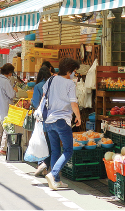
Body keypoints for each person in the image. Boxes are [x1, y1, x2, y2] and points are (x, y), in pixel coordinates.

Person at [42, 58, 81, 190]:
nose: (74, 74)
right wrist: (79, 117)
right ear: (69, 71)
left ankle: (57, 180)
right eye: (74, 71)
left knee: (55, 151)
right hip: (62, 120)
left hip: (49, 120)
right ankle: (53, 175)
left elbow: (44, 95)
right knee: (68, 150)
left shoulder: (50, 80)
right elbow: (73, 103)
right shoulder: (69, 84)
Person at [31, 65, 53, 177]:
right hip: (53, 117)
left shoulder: (38, 86)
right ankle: (48, 167)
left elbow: (35, 103)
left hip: (42, 118)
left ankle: (42, 164)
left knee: (42, 141)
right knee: (50, 142)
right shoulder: (53, 85)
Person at [0, 63, 17, 155]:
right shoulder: (5, 82)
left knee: (0, 129)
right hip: (5, 108)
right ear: (9, 73)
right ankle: (2, 149)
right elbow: (11, 95)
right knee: (7, 129)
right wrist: (15, 91)